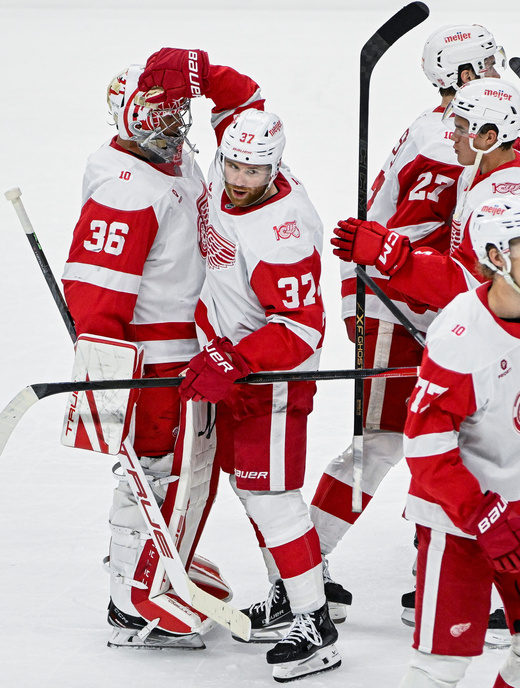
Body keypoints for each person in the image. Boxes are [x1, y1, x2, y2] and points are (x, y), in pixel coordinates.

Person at [313, 25, 520, 632]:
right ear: (460, 79)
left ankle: (446, 575)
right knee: (385, 445)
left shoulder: (470, 140)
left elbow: (485, 231)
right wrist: (371, 278)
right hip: (399, 308)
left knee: (466, 449)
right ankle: (296, 562)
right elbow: (425, 240)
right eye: (483, 66)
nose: (494, 73)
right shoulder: (441, 140)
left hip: (443, 310)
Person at [137, 46, 338, 683]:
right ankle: (292, 599)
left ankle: (316, 625)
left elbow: (304, 330)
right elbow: (241, 98)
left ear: (276, 166)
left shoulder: (285, 232)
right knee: (257, 497)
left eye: (255, 170)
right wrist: (197, 69)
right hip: (233, 370)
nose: (239, 179)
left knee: (270, 496)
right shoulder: (236, 154)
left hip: (272, 384)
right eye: (232, 164)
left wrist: (234, 358)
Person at [60, 55, 254, 649]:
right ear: (124, 115)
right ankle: (133, 599)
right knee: (157, 470)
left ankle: (168, 564)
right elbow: (95, 296)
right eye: (153, 114)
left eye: (175, 112)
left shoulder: (174, 160)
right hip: (155, 359)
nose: (168, 126)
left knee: (193, 468)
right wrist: (110, 379)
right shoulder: (127, 187)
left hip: (190, 349)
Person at [398, 195, 520, 688]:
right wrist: (480, 513)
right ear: (496, 258)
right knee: (440, 667)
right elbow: (424, 446)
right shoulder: (461, 339)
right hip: (460, 521)